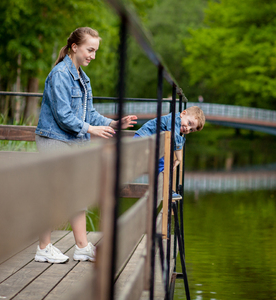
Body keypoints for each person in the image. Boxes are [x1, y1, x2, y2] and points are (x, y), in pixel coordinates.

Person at [34, 27, 137, 264]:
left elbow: (88, 113)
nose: (93, 55)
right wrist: (91, 130)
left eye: (95, 51)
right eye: (90, 50)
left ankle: (81, 247)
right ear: (75, 47)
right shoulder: (60, 74)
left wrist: (113, 123)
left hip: (72, 142)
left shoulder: (83, 77)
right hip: (54, 140)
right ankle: (43, 247)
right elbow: (62, 115)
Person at [134, 106, 205, 196]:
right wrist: (179, 159)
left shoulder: (178, 124)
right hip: (143, 138)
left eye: (191, 130)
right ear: (183, 114)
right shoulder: (174, 120)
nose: (188, 128)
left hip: (152, 144)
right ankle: (164, 189)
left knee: (163, 164)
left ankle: (162, 188)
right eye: (189, 123)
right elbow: (175, 139)